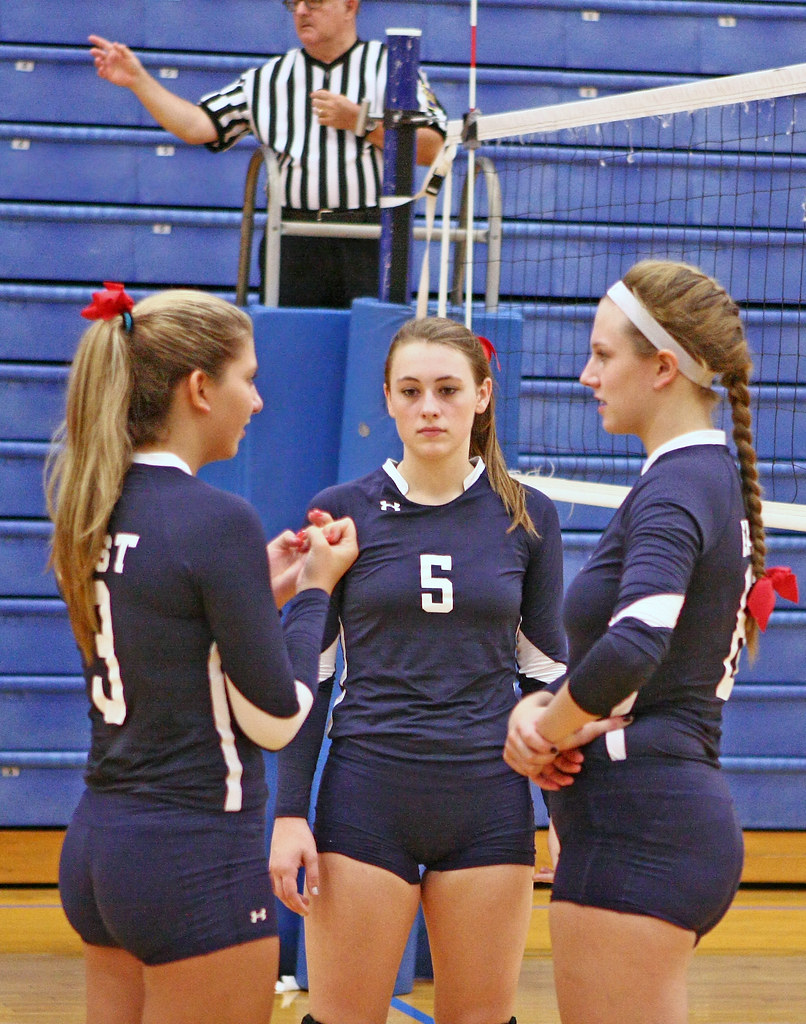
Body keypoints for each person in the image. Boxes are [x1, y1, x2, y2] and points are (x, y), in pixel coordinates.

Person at [268, 316, 622, 1024]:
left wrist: (563, 811)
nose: (430, 406)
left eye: (447, 389)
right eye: (412, 390)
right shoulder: (342, 514)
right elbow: (314, 673)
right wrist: (286, 814)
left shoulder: (528, 516)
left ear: (483, 396)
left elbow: (545, 673)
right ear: (390, 401)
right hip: (368, 795)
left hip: (488, 800)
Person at [45, 282, 358, 1024]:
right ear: (198, 389)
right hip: (190, 854)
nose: (255, 401)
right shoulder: (217, 520)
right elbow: (277, 720)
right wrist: (315, 592)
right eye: (247, 379)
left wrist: (263, 592)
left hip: (99, 847)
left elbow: (173, 637)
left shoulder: (92, 502)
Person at [504, 259, 798, 1024]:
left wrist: (545, 729)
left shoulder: (679, 483)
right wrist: (551, 708)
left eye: (603, 354)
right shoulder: (700, 477)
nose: (584, 374)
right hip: (657, 818)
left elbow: (638, 642)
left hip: (641, 829)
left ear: (663, 367)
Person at [88, 0, 447, 308]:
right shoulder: (269, 78)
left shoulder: (393, 68)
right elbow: (198, 126)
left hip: (372, 239)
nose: (302, 11)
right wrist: (139, 80)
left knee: (375, 356)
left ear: (350, 5)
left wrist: (361, 122)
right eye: (294, 3)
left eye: (314, 2)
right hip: (294, 241)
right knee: (296, 358)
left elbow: (434, 146)